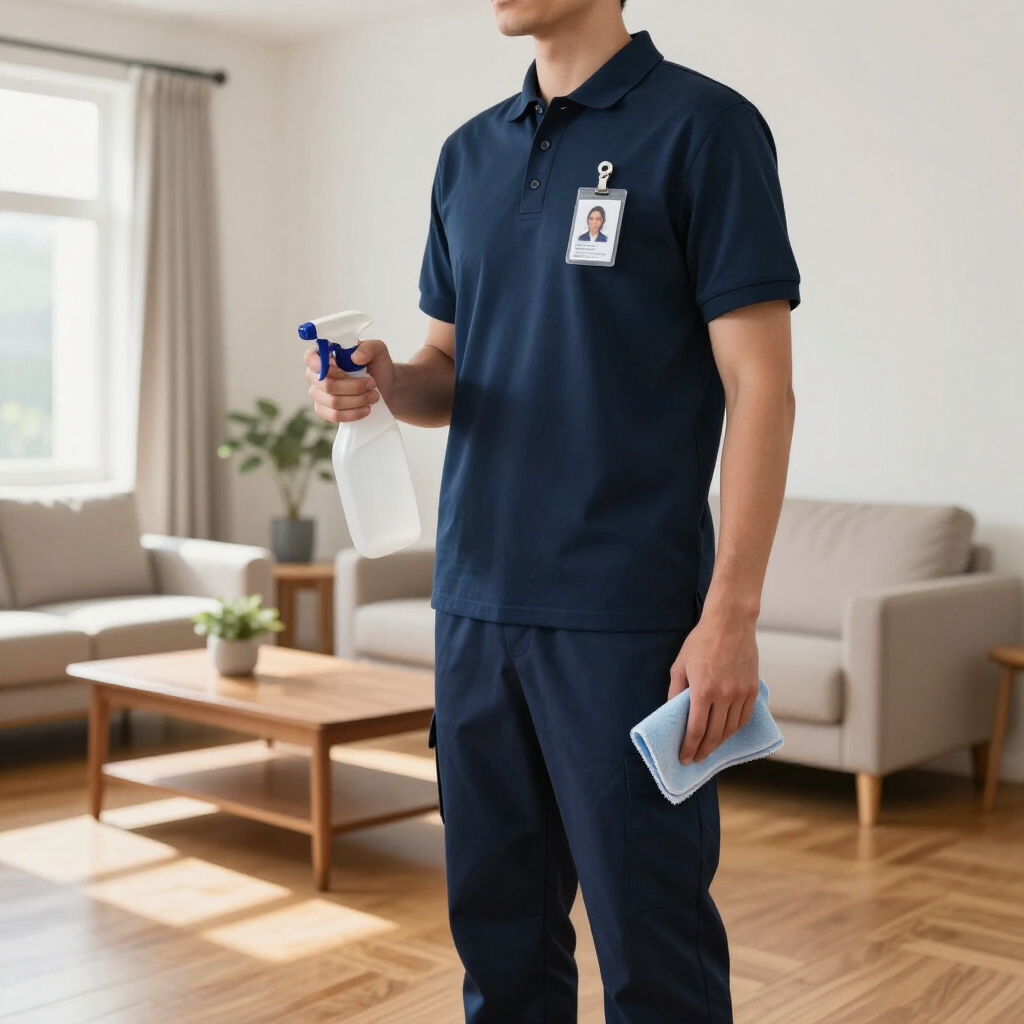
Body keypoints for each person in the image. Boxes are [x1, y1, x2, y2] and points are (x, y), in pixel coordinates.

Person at [305, 0, 799, 1020]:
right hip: (475, 607)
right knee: (501, 950)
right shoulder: (465, 155)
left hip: (625, 620)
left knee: (653, 951)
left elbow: (761, 387)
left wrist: (731, 614)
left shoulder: (706, 127)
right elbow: (448, 368)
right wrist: (391, 380)